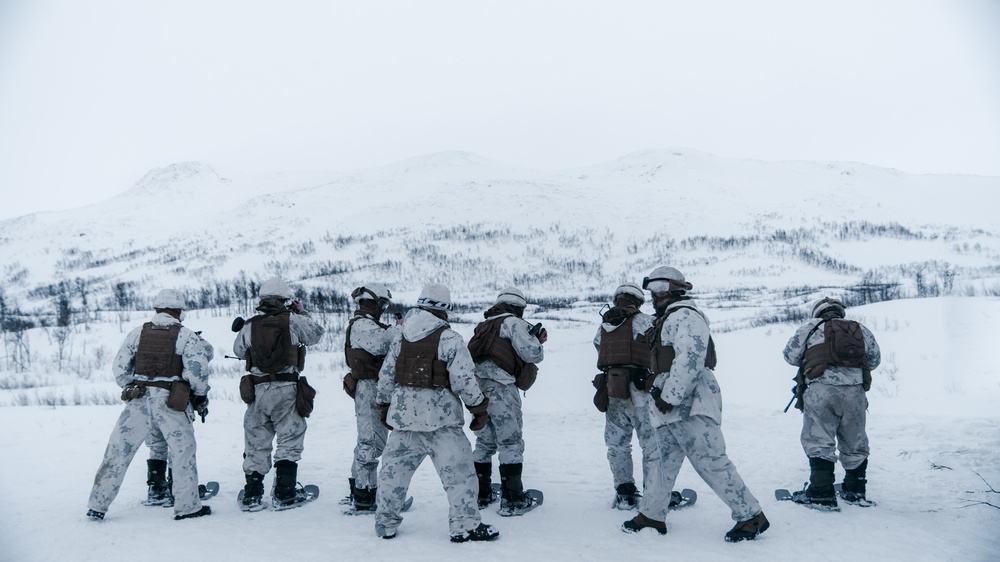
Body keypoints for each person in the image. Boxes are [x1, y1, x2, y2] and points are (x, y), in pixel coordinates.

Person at [622, 267, 768, 542]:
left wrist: (670, 396)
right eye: (652, 289)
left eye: (661, 288)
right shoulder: (667, 319)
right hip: (669, 405)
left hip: (690, 403)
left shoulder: (686, 316)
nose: (655, 295)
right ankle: (651, 515)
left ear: (677, 288)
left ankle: (751, 516)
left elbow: (690, 359)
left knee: (710, 460)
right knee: (661, 461)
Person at [374, 283, 499, 542]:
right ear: (444, 308)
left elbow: (386, 376)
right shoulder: (449, 338)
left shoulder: (401, 336)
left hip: (404, 421)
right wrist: (478, 408)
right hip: (441, 422)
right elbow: (464, 380)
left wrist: (384, 405)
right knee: (460, 475)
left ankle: (385, 523)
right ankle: (464, 526)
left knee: (393, 475)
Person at [86, 288, 212, 521]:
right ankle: (187, 507)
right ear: (179, 311)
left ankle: (97, 506)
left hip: (138, 399)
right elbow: (197, 372)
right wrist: (200, 395)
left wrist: (132, 385)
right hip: (171, 402)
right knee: (182, 451)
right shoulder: (186, 335)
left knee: (118, 452)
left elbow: (120, 369)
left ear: (157, 308)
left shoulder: (137, 333)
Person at [233, 277, 325, 511]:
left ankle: (252, 495)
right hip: (286, 388)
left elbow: (238, 350)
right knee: (289, 439)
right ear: (286, 300)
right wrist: (301, 312)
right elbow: (316, 334)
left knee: (256, 441)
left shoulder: (249, 325)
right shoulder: (294, 320)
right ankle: (285, 493)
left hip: (257, 390)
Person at [594, 282, 684, 516]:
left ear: (617, 300)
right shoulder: (646, 322)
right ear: (638, 301)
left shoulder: (604, 325)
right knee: (652, 445)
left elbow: (600, 351)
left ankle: (624, 493)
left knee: (617, 445)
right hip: (641, 392)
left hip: (613, 391)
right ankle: (653, 494)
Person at [783, 297, 881, 509]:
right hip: (855, 392)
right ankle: (855, 491)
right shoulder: (859, 329)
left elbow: (790, 356)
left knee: (819, 439)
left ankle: (821, 494)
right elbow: (874, 360)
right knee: (855, 441)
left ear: (817, 312)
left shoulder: (810, 327)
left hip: (821, 390)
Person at [468, 286, 546, 516]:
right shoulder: (513, 323)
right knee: (510, 442)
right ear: (519, 307)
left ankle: (481, 494)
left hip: (477, 388)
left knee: (484, 442)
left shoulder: (484, 325)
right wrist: (538, 341)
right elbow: (533, 354)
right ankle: (513, 500)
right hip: (501, 387)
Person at [342, 283, 402, 513]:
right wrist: (399, 329)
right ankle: (364, 495)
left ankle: (359, 488)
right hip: (368, 387)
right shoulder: (363, 325)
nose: (383, 309)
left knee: (373, 441)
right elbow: (383, 344)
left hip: (374, 386)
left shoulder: (369, 324)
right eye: (382, 304)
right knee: (370, 441)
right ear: (371, 302)